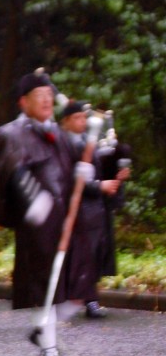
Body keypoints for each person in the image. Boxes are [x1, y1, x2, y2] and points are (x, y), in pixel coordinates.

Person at [0, 71, 84, 356]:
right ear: (23, 102)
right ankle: (49, 353)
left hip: (64, 219)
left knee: (75, 283)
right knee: (47, 286)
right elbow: (10, 172)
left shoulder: (57, 131)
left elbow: (72, 167)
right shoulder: (12, 133)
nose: (46, 100)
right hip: (37, 223)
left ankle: (42, 331)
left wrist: (85, 169)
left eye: (49, 95)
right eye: (38, 95)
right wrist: (33, 199)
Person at [59, 101, 126, 319]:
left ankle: (89, 298)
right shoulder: (64, 145)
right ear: (66, 121)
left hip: (94, 207)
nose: (82, 122)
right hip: (76, 208)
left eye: (83, 118)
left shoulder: (87, 143)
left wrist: (115, 177)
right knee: (80, 255)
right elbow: (72, 179)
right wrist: (100, 185)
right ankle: (80, 299)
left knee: (94, 252)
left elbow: (96, 170)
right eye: (77, 118)